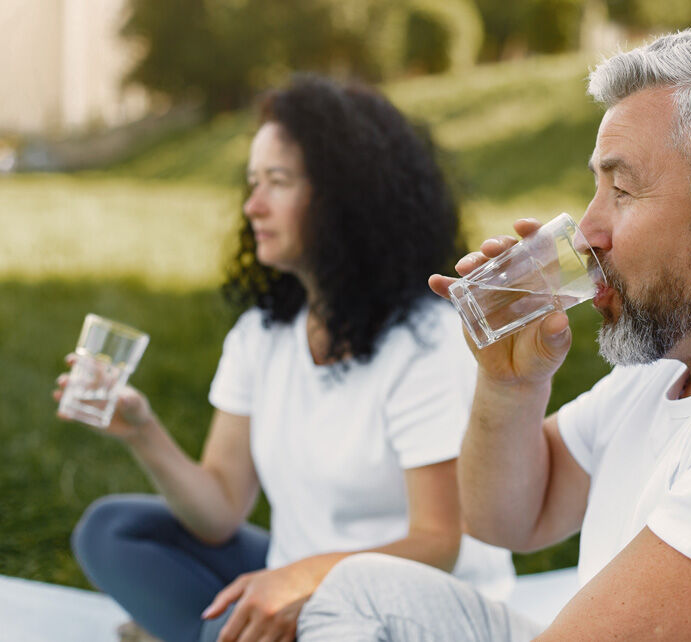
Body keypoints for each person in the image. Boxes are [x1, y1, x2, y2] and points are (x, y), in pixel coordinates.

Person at [293, 31, 691, 641]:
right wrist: (508, 385)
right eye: (596, 189)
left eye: (622, 190)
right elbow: (507, 517)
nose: (585, 232)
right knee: (362, 592)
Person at [56, 73, 514, 642]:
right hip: (297, 580)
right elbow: (220, 510)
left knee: (235, 624)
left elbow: (438, 543)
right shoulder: (261, 336)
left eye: (277, 181)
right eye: (252, 182)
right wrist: (140, 430)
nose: (252, 205)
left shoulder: (425, 342)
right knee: (113, 531)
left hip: (416, 607)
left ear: (344, 196)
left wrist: (299, 582)